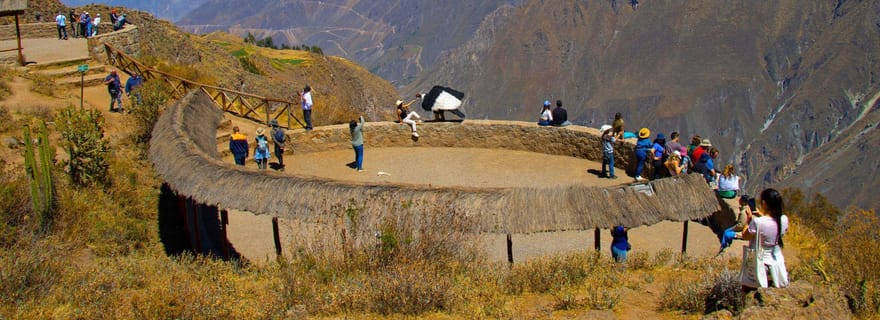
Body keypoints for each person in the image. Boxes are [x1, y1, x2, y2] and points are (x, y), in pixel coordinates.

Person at [741, 188, 789, 289]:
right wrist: (761, 215)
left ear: (764, 203)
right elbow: (772, 225)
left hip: (760, 261)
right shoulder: (783, 220)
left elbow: (745, 236)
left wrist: (749, 221)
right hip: (776, 261)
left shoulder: (758, 222)